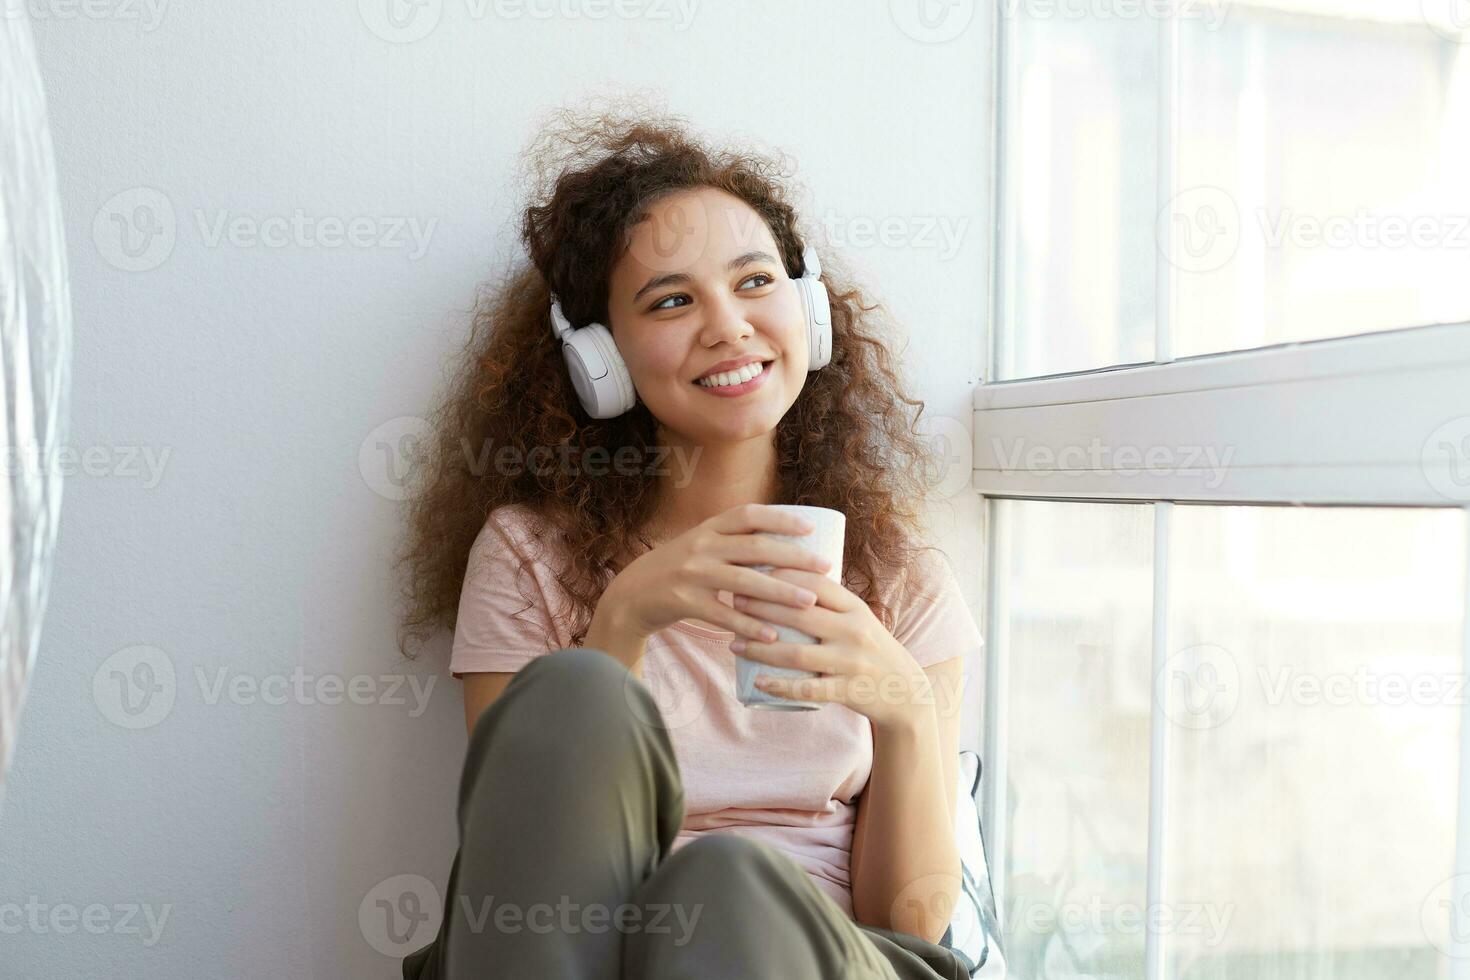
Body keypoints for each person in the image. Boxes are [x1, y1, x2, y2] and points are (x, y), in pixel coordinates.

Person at [394, 103, 984, 979]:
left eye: (754, 282)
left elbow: (913, 922)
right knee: (572, 698)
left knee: (720, 884)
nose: (727, 325)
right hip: (590, 958)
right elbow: (513, 870)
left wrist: (902, 709)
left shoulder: (899, 576)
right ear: (600, 358)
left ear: (808, 310)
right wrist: (625, 617)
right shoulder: (527, 555)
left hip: (822, 956)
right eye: (672, 301)